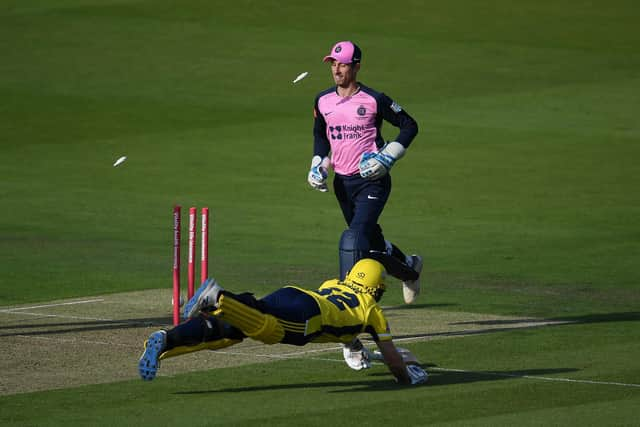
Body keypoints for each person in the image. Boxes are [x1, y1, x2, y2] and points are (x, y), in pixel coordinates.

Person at [138, 259, 428, 385]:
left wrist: (353, 346)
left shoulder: (334, 283)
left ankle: (166, 340)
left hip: (296, 294)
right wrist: (406, 378)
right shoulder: (373, 312)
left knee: (233, 330)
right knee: (269, 330)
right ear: (377, 288)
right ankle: (218, 297)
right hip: (309, 318)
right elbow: (392, 359)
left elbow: (345, 328)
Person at [307, 40, 423, 305]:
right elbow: (321, 136)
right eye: (333, 64)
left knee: (354, 238)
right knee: (370, 244)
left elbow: (409, 125)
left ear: (356, 66)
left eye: (343, 64)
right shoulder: (323, 100)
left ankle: (348, 306)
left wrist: (387, 157)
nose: (337, 69)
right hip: (342, 184)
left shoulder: (374, 99)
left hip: (372, 181)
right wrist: (319, 164)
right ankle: (409, 268)